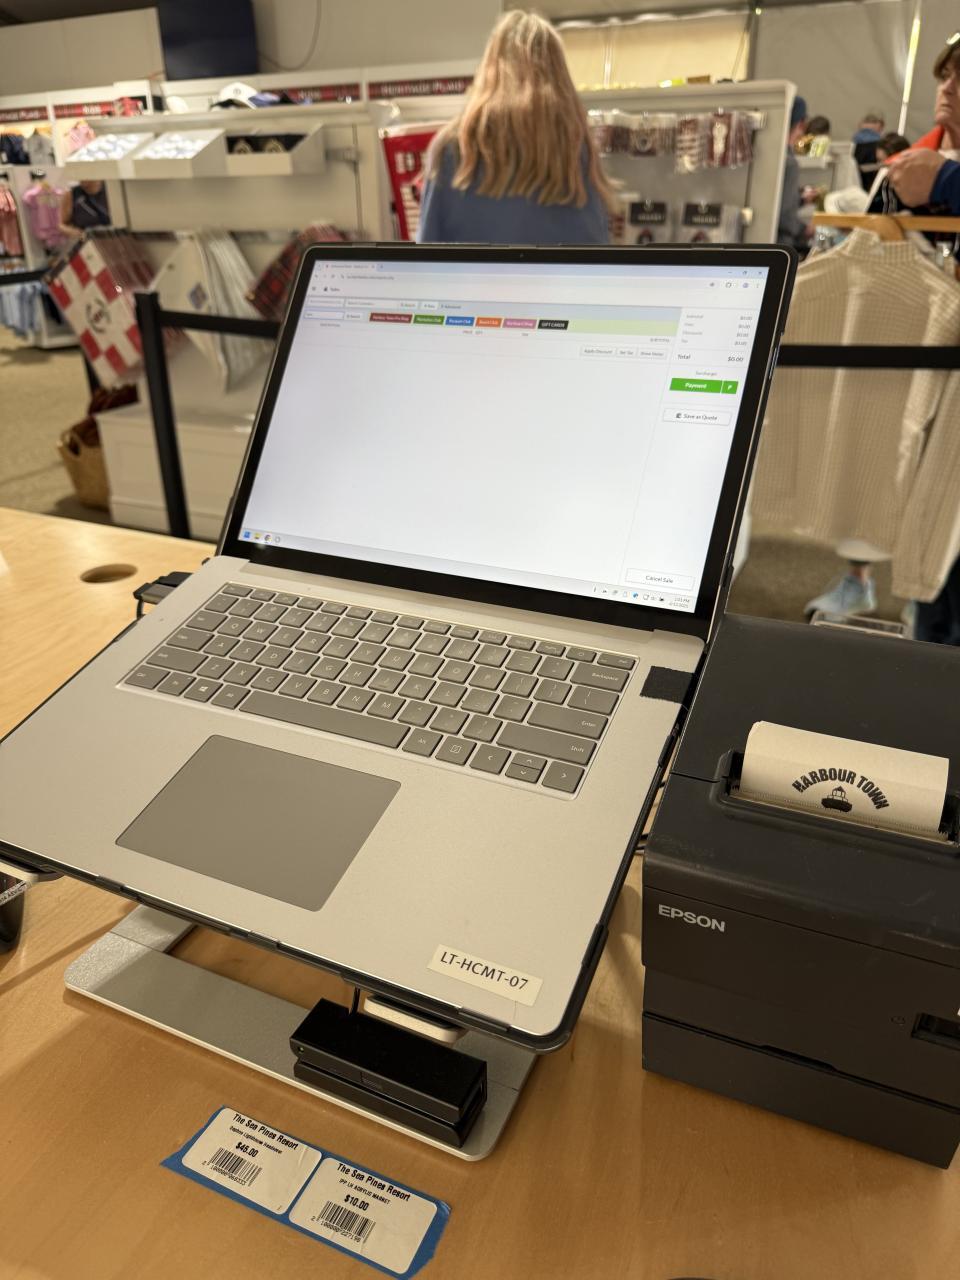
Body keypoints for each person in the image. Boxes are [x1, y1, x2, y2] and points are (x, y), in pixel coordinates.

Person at [417, 10, 612, 245]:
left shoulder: (453, 149)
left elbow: (426, 251)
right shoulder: (576, 150)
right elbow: (596, 251)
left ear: (491, 69)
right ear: (559, 78)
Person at [777, 95, 812, 252]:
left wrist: (800, 199)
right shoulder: (789, 163)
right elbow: (784, 217)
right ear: (801, 124)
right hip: (779, 247)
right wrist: (806, 229)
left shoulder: (765, 156)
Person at [853, 111, 885, 189]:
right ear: (879, 125)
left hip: (854, 183)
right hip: (872, 184)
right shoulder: (881, 145)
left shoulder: (854, 141)